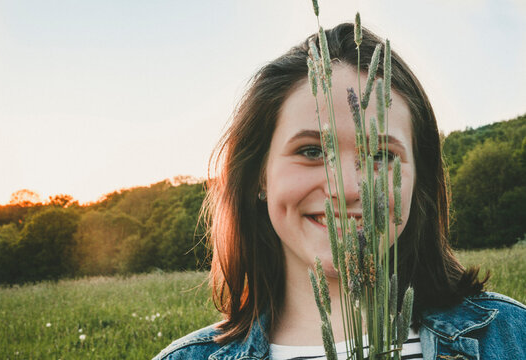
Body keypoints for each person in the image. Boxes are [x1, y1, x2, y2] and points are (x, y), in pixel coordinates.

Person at [152, 23, 526, 360]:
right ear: (259, 178)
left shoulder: (512, 337)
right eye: (311, 151)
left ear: (418, 180)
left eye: (381, 155)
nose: (348, 188)